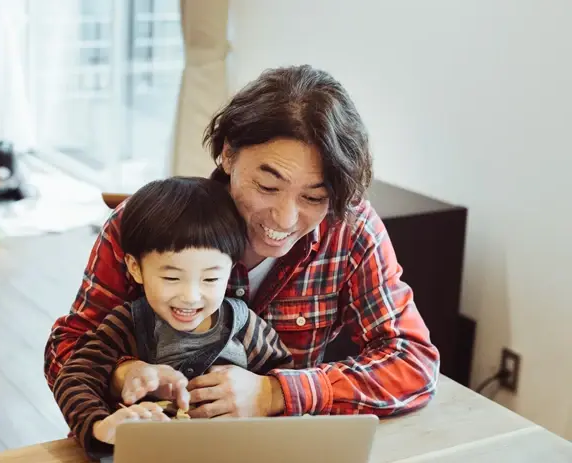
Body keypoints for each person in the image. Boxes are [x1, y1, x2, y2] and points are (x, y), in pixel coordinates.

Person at [45, 64, 440, 426]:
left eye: (313, 198)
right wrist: (123, 374)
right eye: (268, 187)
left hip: (276, 454)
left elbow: (413, 362)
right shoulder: (149, 224)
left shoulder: (349, 229)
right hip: (148, 450)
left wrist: (276, 393)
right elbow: (66, 350)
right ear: (228, 154)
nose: (284, 220)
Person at [54, 177, 294, 459]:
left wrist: (264, 401)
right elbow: (74, 377)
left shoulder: (246, 326)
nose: (191, 296)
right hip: (145, 462)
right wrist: (100, 427)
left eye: (211, 278)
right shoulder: (126, 325)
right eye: (171, 277)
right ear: (135, 268)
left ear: (231, 270)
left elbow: (283, 380)